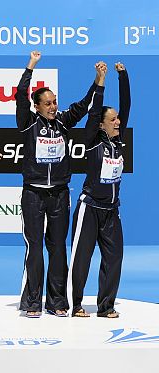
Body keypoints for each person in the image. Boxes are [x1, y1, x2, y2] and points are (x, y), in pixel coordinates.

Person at [16, 51, 104, 318]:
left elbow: (84, 105)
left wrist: (98, 80)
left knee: (57, 248)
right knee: (34, 247)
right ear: (37, 107)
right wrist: (30, 67)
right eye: (48, 104)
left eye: (55, 102)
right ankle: (32, 301)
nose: (54, 107)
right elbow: (21, 96)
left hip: (59, 194)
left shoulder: (64, 123)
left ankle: (56, 301)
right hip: (33, 193)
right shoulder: (28, 122)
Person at [68, 62, 128, 319]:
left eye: (117, 119)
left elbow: (126, 105)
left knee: (114, 258)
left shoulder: (119, 139)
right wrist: (101, 81)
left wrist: (123, 77)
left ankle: (106, 306)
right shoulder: (92, 140)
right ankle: (76, 303)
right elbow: (93, 113)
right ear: (102, 124)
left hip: (111, 212)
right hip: (90, 207)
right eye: (112, 119)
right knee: (82, 259)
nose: (118, 121)